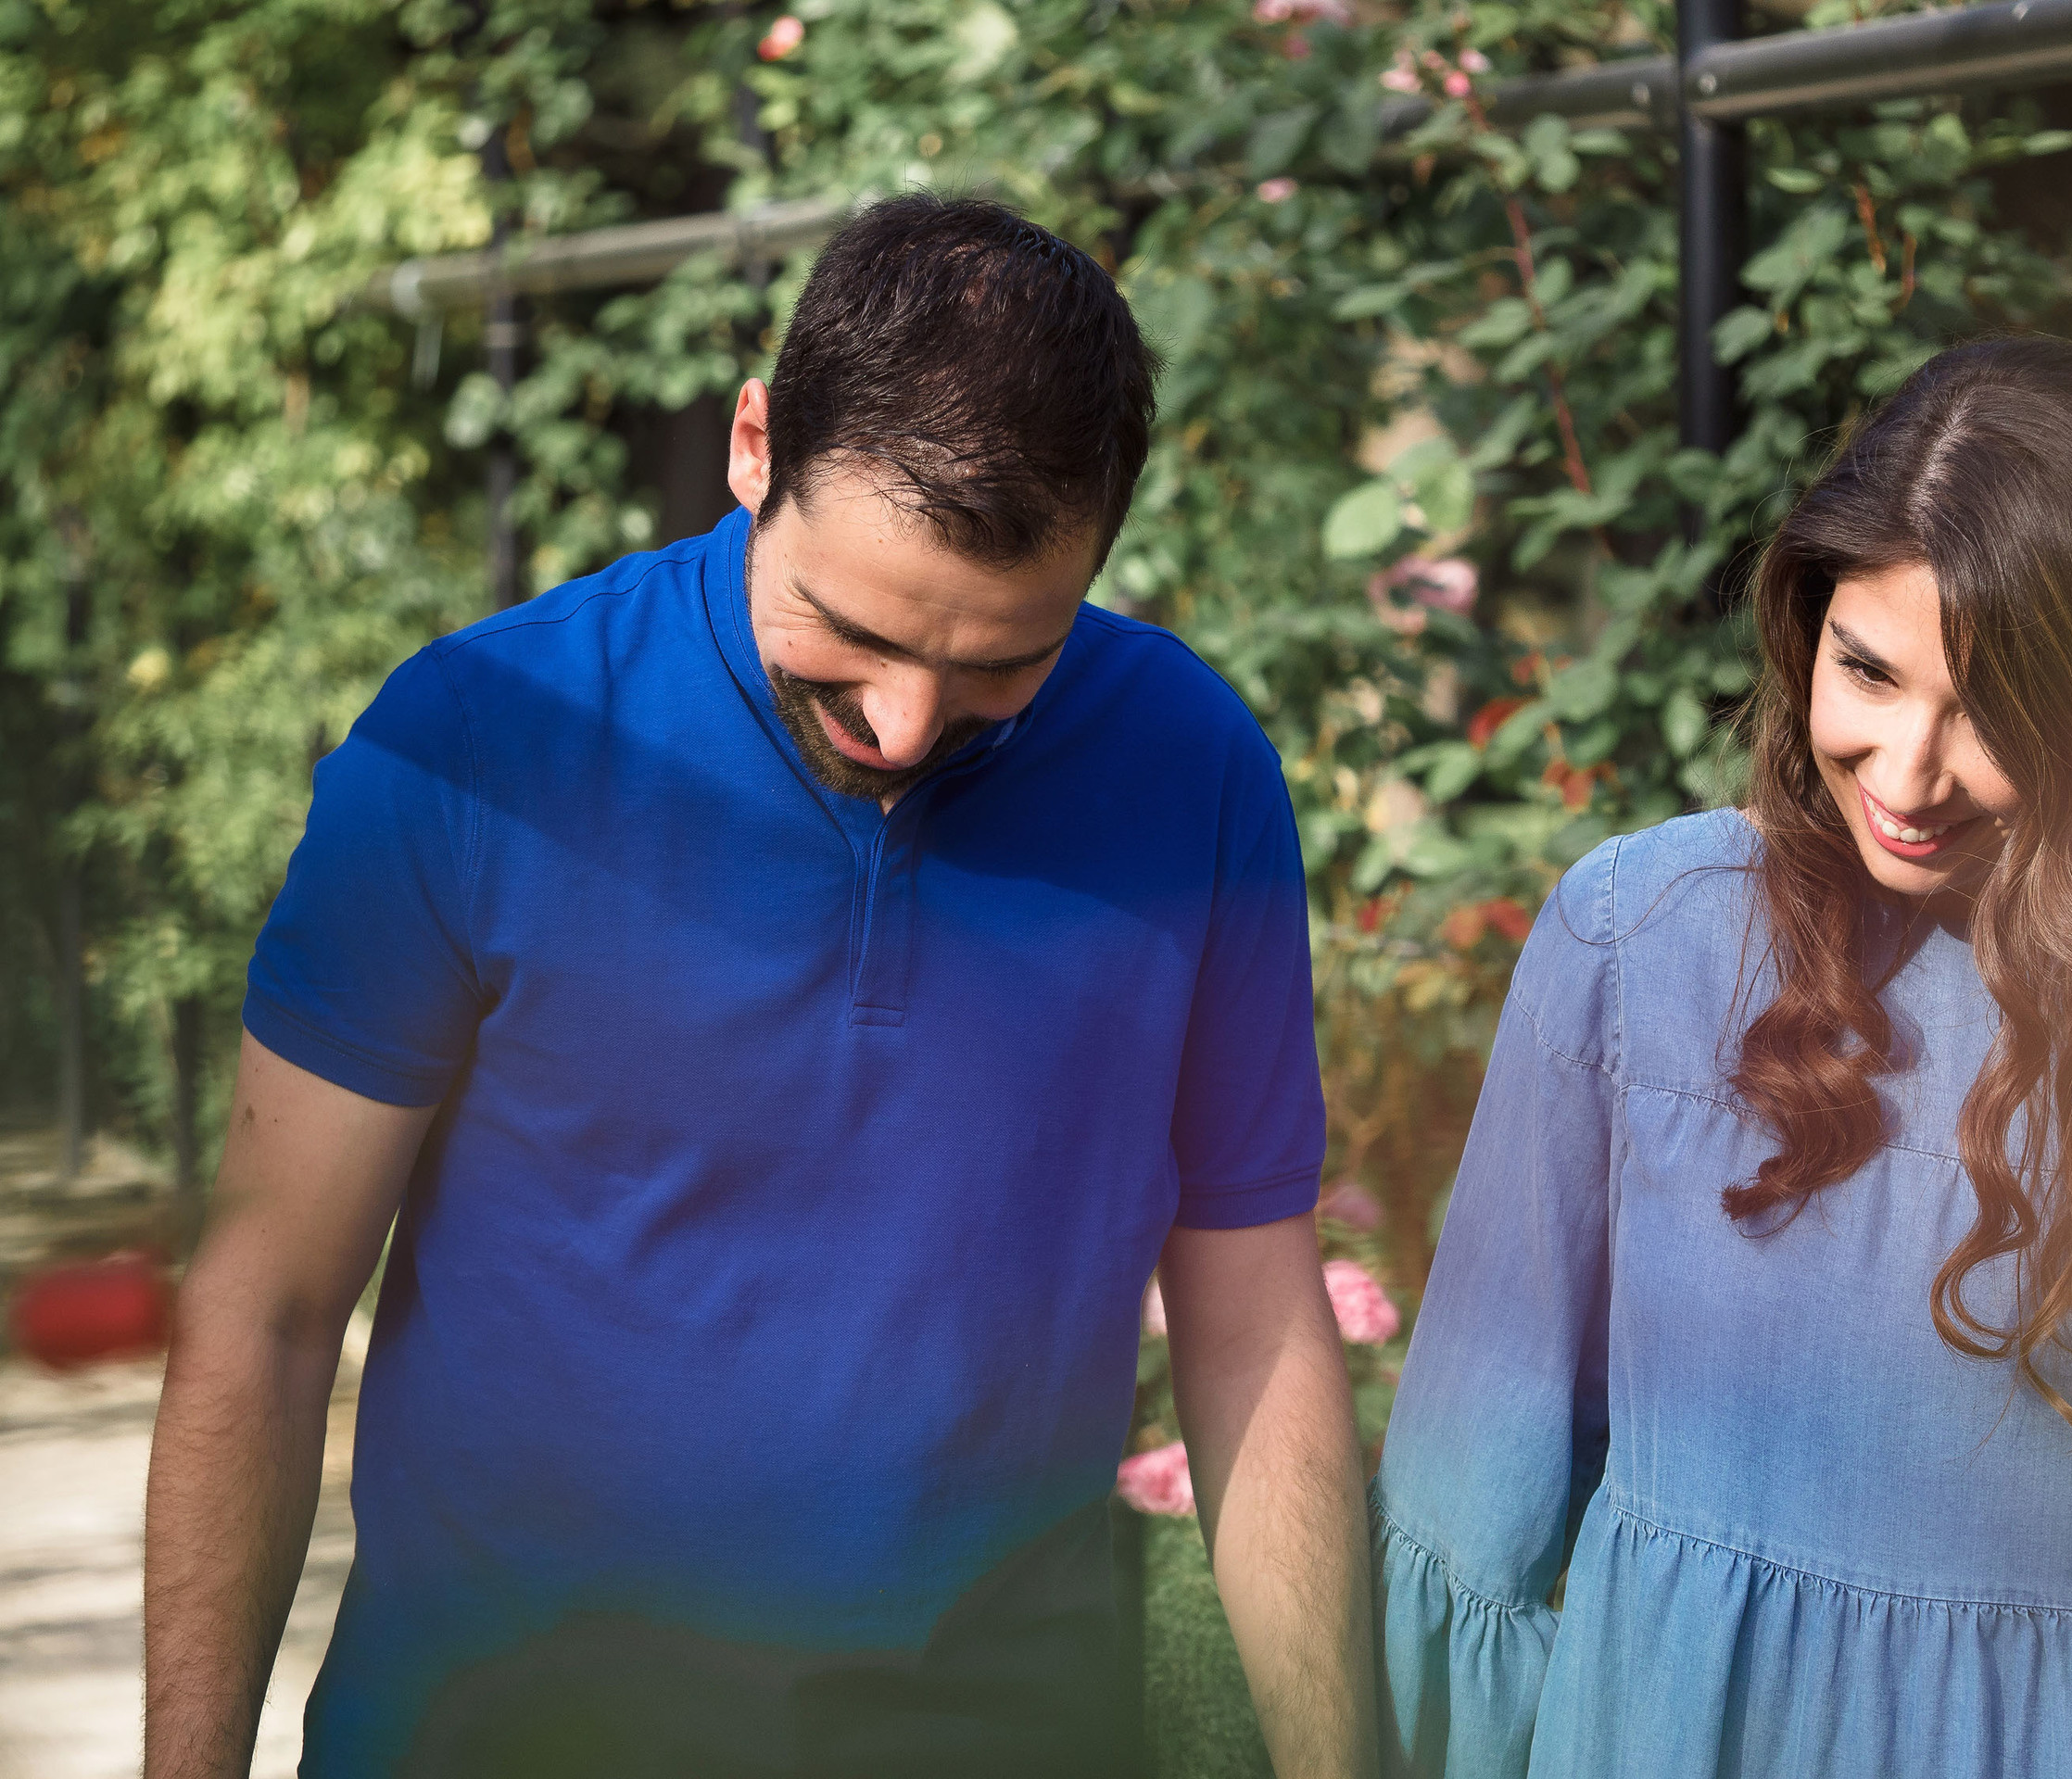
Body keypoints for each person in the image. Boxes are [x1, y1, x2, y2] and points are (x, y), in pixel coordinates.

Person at [145, 195, 1377, 1779]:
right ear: (752, 445)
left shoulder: (1196, 775)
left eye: (1004, 661)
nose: (909, 725)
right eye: (851, 633)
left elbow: (1255, 1322)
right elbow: (269, 1305)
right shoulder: (473, 744)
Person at [1371, 336, 2072, 1778]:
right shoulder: (1633, 941)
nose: (1906, 775)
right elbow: (1472, 1514)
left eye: (1999, 709)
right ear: (1806, 625)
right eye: (1870, 672)